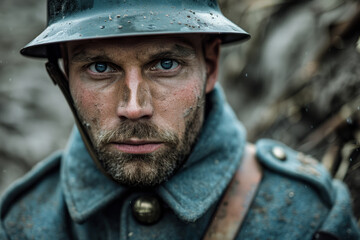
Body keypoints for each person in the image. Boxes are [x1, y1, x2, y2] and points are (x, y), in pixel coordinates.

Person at [0, 0, 359, 239]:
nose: (134, 107)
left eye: (165, 65)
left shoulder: (305, 216)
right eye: (99, 67)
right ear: (63, 74)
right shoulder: (21, 223)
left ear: (211, 65)